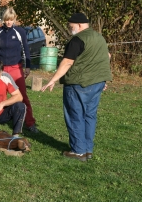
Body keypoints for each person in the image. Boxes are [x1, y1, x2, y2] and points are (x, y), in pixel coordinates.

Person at [41, 12, 112, 161]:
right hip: (97, 83)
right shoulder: (99, 37)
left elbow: (67, 62)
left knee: (75, 116)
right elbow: (107, 57)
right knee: (89, 116)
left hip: (79, 84)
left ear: (79, 25)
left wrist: (53, 80)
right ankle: (87, 150)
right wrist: (103, 79)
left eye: (70, 26)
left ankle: (78, 151)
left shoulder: (77, 40)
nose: (69, 28)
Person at [0, 7, 39, 133]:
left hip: (16, 68)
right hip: (0, 69)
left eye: (11, 20)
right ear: (3, 20)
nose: (9, 22)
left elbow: (26, 49)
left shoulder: (20, 31)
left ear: (15, 19)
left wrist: (28, 66)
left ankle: (30, 123)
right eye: (7, 20)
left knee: (22, 96)